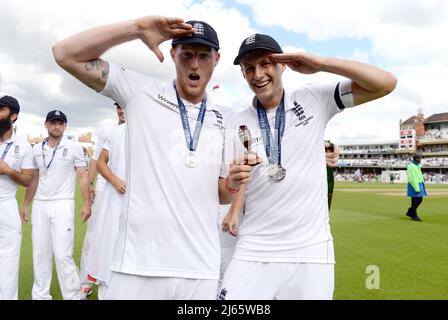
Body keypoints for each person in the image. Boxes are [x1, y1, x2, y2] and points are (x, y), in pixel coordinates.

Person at [52, 16, 256, 299]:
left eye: (203, 56)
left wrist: (233, 183)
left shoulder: (226, 118)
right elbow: (65, 54)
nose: (194, 64)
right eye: (186, 55)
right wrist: (136, 29)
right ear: (173, 54)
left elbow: (222, 194)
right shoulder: (141, 92)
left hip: (199, 269)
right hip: (137, 266)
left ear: (217, 59)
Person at [219, 33, 397, 300]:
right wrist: (232, 182)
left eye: (265, 64)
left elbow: (385, 83)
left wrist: (321, 63)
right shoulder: (235, 122)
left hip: (310, 251)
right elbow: (224, 189)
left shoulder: (314, 99)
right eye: (249, 68)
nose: (257, 74)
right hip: (254, 249)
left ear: (283, 65)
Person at [21, 110, 91, 300]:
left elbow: (83, 176)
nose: (56, 126)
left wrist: (86, 203)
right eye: (53, 122)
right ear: (46, 125)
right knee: (40, 253)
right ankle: (40, 295)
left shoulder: (74, 147)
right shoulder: (36, 149)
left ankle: (74, 296)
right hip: (40, 205)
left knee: (62, 254)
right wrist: (26, 204)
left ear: (65, 126)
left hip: (63, 204)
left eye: (60, 123)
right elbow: (34, 180)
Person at [78, 102, 125, 299]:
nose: (121, 110)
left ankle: (114, 279)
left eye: (124, 106)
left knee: (119, 235)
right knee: (93, 235)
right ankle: (86, 281)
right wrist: (89, 185)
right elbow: (97, 161)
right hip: (105, 187)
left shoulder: (139, 130)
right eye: (118, 107)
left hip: (125, 188)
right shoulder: (108, 130)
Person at [0, 95, 34, 300]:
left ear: (14, 116)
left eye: (2, 110)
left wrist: (9, 171)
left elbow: (29, 180)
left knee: (9, 260)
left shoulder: (23, 145)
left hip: (6, 204)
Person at [406, 152, 426, 222]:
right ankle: (414, 215)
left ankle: (411, 212)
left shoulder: (417, 165)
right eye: (419, 158)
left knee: (418, 200)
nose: (420, 159)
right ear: (416, 158)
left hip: (419, 184)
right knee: (415, 201)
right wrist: (416, 188)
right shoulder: (411, 166)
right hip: (414, 185)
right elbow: (412, 178)